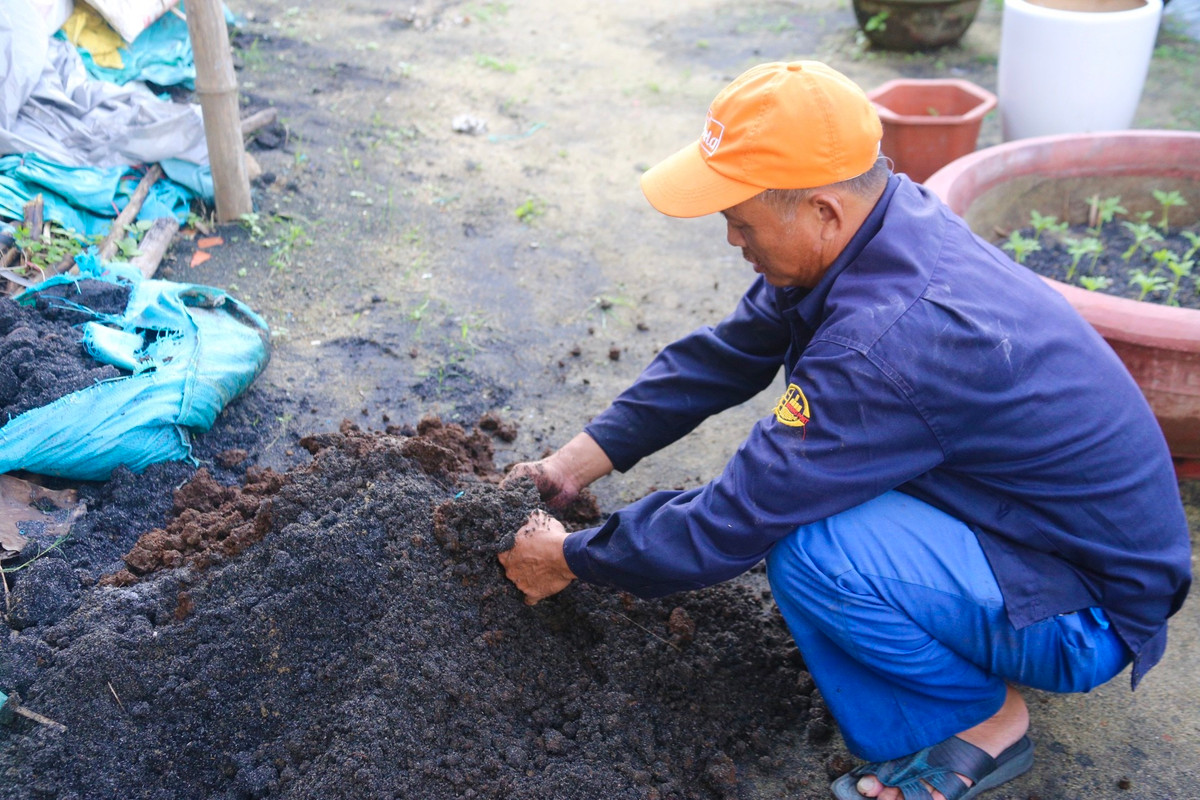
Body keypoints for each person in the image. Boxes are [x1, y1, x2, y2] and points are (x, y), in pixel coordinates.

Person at [496, 61, 1192, 800]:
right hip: (1035, 527)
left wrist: (570, 557)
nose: (732, 239)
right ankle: (946, 628)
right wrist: (565, 468)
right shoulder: (883, 225)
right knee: (820, 514)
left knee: (813, 551)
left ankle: (980, 723)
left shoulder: (885, 338)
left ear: (823, 211)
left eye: (741, 220)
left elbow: (733, 520)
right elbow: (725, 355)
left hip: (1089, 607)